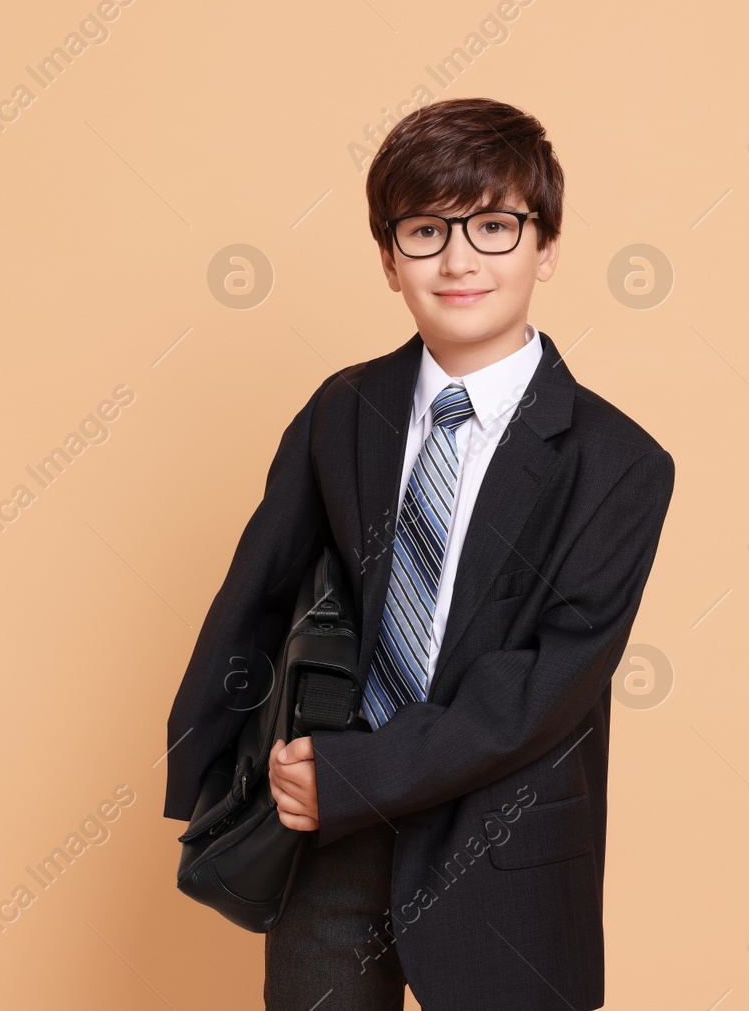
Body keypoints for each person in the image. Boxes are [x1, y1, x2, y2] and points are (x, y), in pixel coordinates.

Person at [162, 96, 675, 1010]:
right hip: (328, 844)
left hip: (500, 850)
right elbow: (261, 589)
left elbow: (543, 690)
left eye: (494, 225)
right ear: (389, 259)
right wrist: (226, 775)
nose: (460, 258)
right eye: (427, 229)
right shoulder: (343, 408)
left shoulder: (619, 463)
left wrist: (357, 775)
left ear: (546, 247)